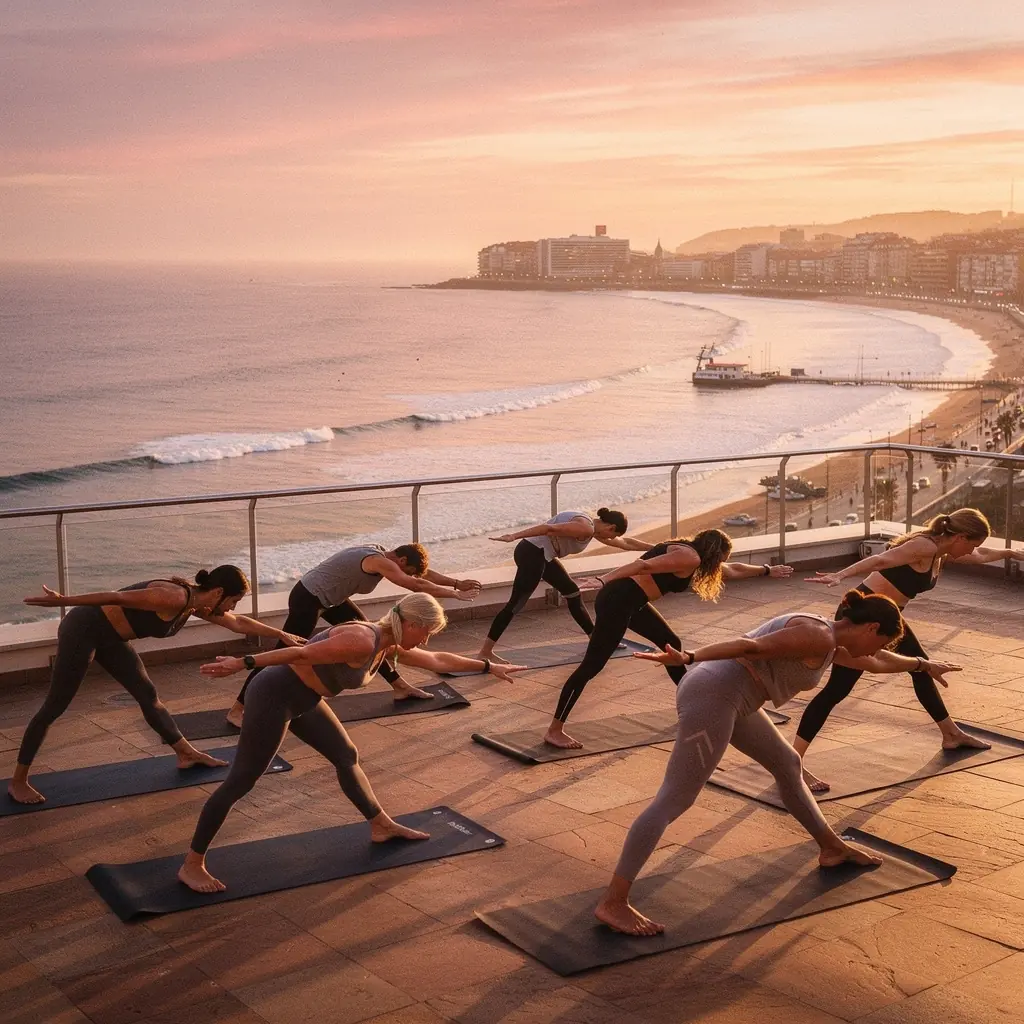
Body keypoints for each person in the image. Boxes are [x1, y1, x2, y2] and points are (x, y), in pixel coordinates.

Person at [594, 590, 960, 935]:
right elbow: (749, 646)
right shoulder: (818, 636)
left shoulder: (835, 643)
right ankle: (614, 901)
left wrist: (923, 665)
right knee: (675, 798)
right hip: (714, 695)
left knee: (787, 764)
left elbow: (878, 661)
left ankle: (831, 847)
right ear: (870, 628)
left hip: (735, 698)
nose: (876, 649)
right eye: (879, 640)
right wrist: (688, 657)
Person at [179, 593, 524, 893]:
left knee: (346, 755)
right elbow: (299, 655)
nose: (425, 642)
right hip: (274, 694)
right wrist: (242, 663)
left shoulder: (387, 645)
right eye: (426, 633)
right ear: (411, 622)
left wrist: (487, 666)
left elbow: (437, 661)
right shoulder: (362, 639)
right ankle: (192, 864)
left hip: (305, 698)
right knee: (243, 778)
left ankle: (380, 824)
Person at [11, 566, 301, 805]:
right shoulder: (172, 597)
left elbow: (238, 623)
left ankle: (185, 753)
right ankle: (18, 781)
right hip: (83, 631)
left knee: (147, 694)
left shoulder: (195, 604)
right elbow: (115, 597)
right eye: (233, 600)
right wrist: (64, 600)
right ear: (218, 593)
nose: (232, 607)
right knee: (55, 706)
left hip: (111, 638)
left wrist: (282, 634)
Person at [799, 508, 1021, 791]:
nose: (973, 551)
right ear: (961, 536)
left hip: (890, 617)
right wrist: (840, 575)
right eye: (972, 543)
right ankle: (794, 762)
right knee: (838, 689)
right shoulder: (923, 547)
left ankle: (951, 734)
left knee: (922, 667)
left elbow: (982, 555)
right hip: (861, 617)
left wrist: (1011, 554)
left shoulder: (942, 551)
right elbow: (880, 559)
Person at [543, 529, 793, 748]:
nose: (721, 564)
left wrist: (767, 570)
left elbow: (733, 569)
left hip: (633, 603)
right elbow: (643, 566)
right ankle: (555, 730)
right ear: (714, 552)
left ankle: (696, 705)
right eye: (721, 558)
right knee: (591, 666)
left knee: (671, 644)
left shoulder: (689, 551)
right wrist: (602, 579)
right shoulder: (689, 557)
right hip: (618, 601)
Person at [226, 542, 480, 727]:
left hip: (332, 600)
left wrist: (456, 583)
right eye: (408, 570)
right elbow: (415, 584)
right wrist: (454, 595)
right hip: (308, 599)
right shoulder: (378, 561)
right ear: (401, 561)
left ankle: (399, 686)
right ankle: (238, 709)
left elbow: (422, 576)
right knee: (282, 650)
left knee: (376, 636)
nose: (409, 574)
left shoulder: (385, 553)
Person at [478, 508, 648, 663]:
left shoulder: (593, 529)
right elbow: (547, 529)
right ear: (610, 527)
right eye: (611, 535)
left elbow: (626, 543)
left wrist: (659, 548)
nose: (608, 540)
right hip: (532, 553)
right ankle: (485, 652)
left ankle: (596, 639)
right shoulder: (585, 527)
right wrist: (513, 536)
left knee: (572, 592)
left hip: (542, 555)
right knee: (516, 603)